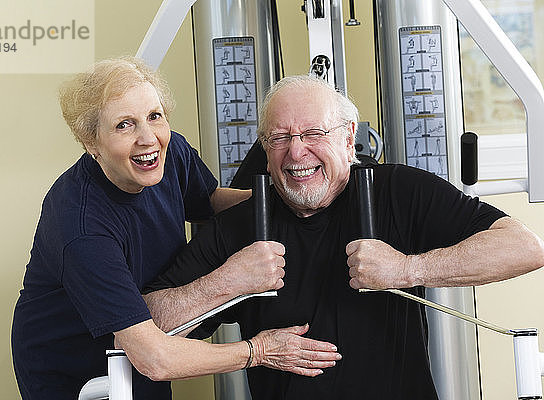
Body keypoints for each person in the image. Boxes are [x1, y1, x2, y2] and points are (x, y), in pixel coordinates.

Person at [142, 75, 544, 399]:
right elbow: (145, 323)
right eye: (279, 138)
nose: (296, 153)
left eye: (313, 133)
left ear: (349, 137)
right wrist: (226, 283)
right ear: (265, 149)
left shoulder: (398, 191)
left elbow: (524, 247)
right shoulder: (243, 227)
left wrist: (406, 268)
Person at [10, 60, 342, 400]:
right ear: (90, 142)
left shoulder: (166, 154)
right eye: (124, 125)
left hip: (144, 331)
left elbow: (210, 200)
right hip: (74, 366)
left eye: (154, 116)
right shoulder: (80, 224)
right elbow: (155, 359)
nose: (148, 138)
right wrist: (260, 350)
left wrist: (294, 190)